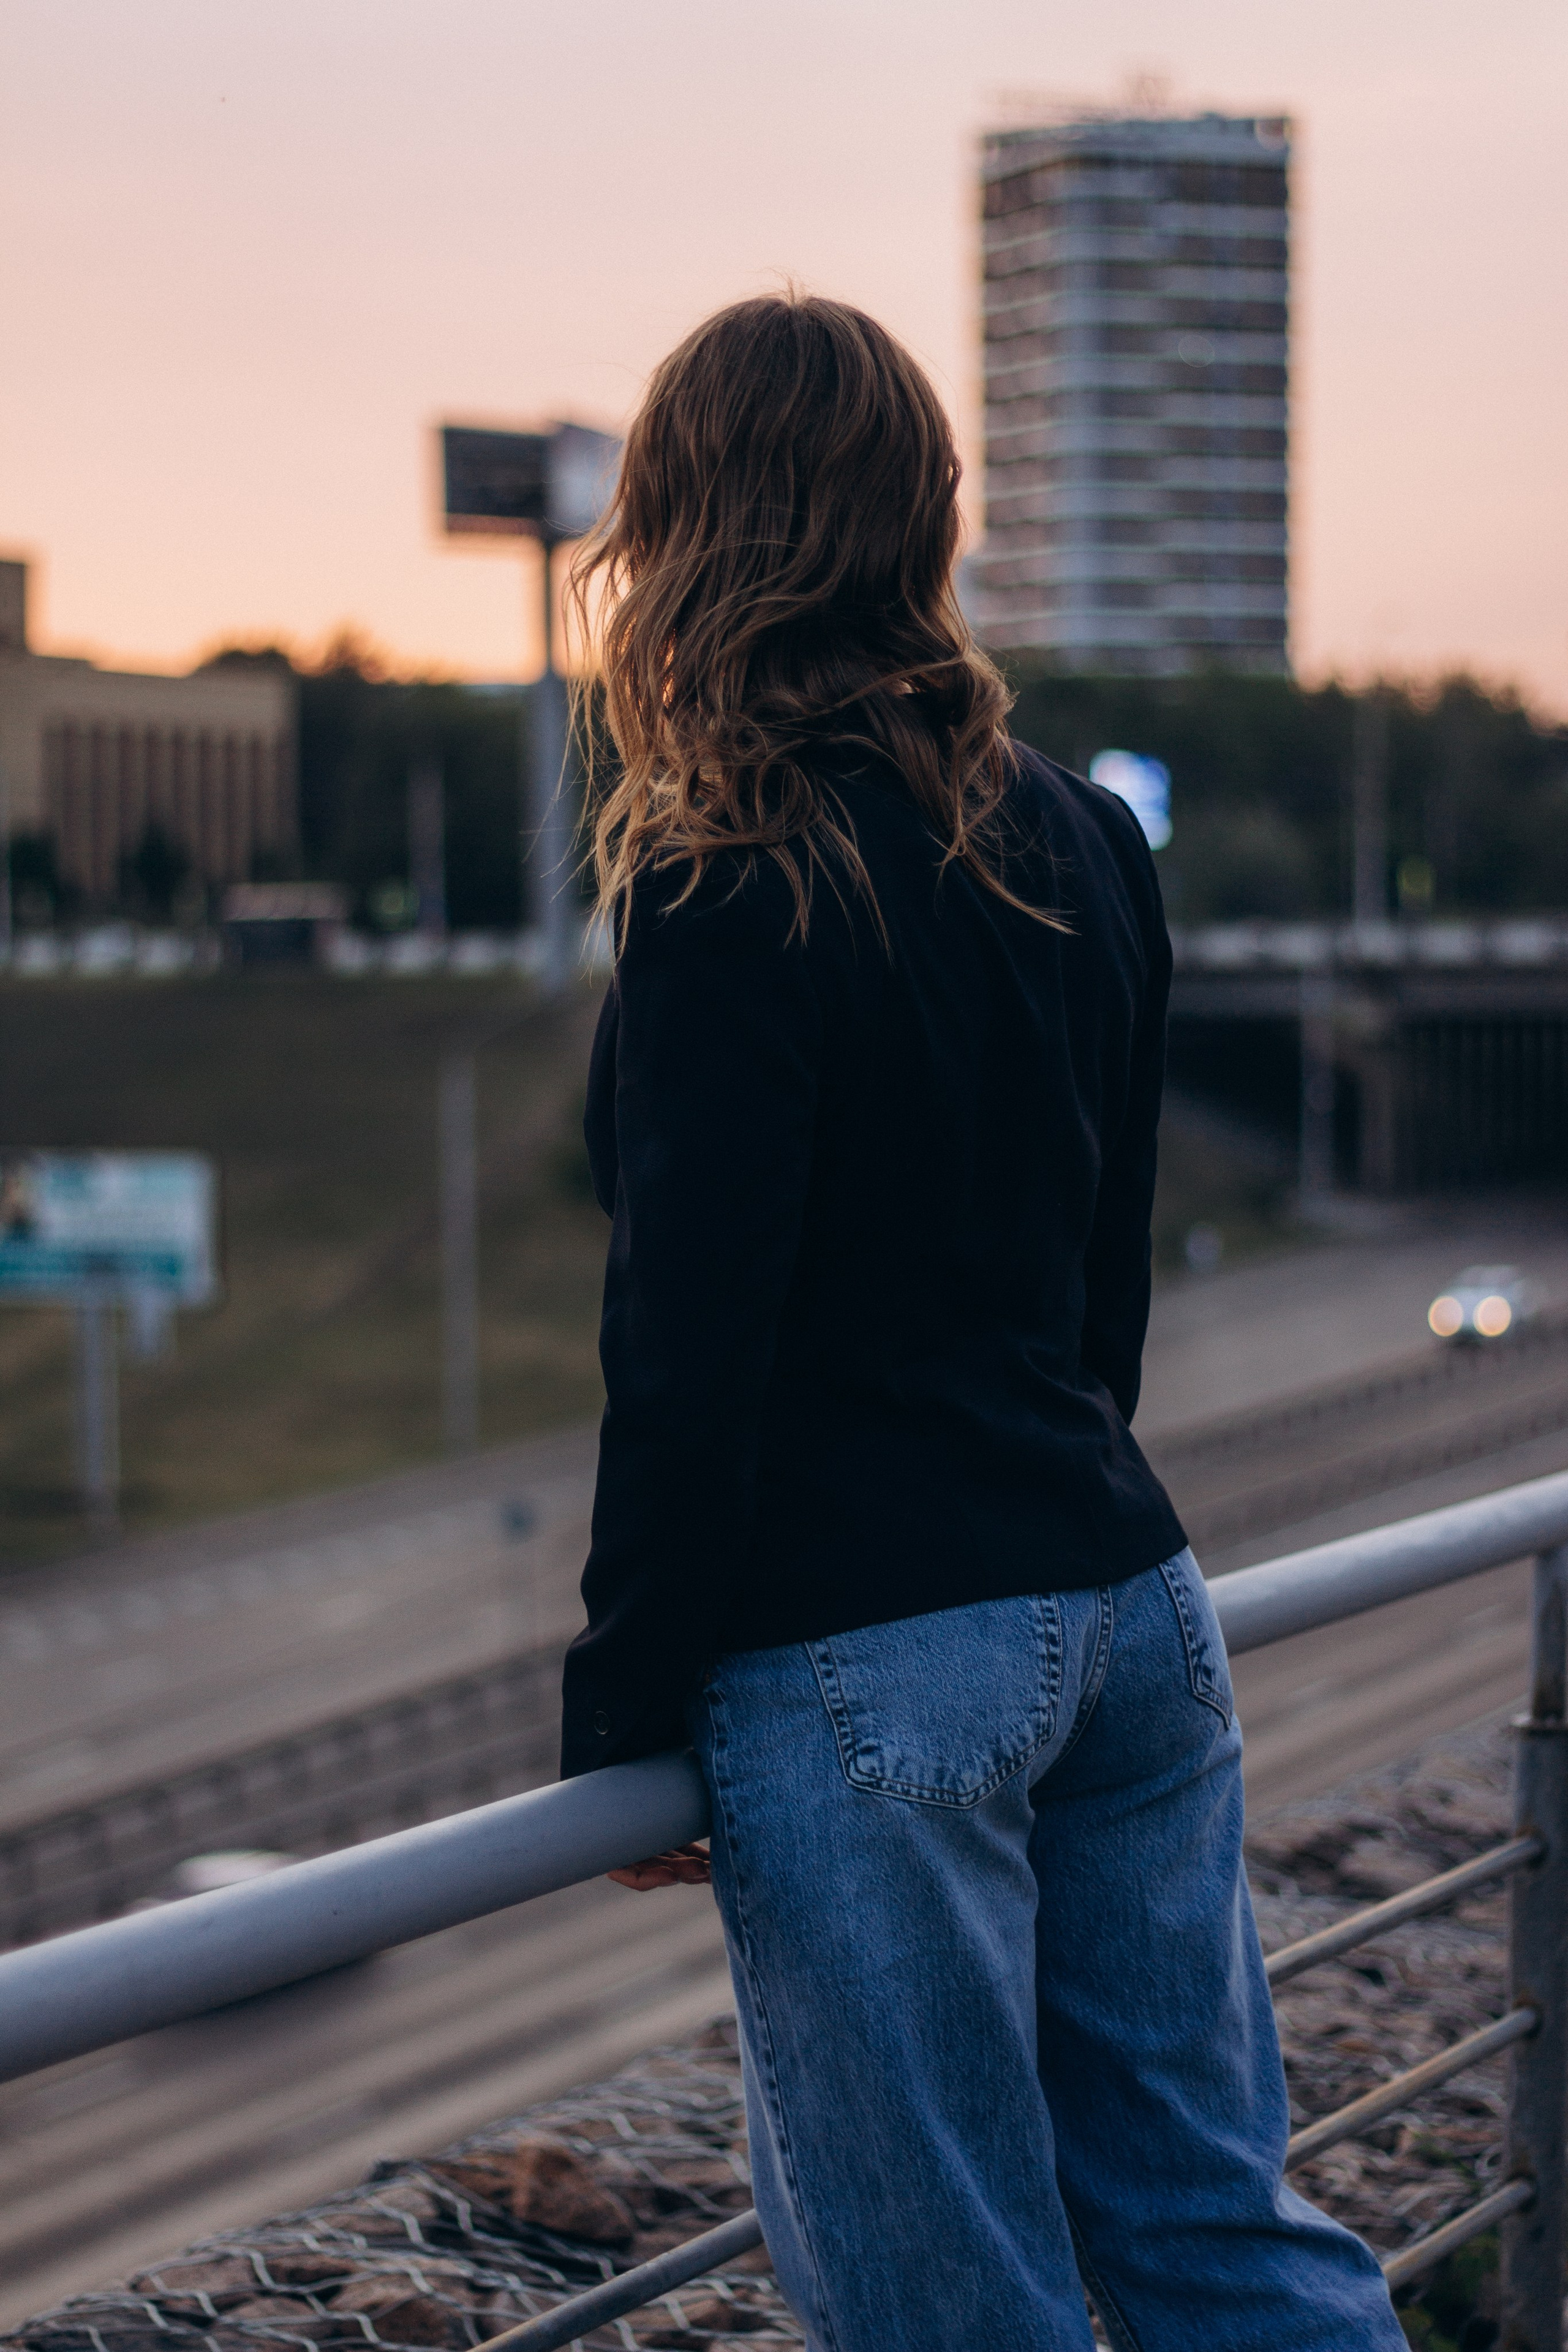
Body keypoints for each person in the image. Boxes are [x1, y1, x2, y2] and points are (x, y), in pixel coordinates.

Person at [559, 293, 1404, 2352]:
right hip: (1123, 1600)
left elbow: (694, 1341)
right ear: (919, 519)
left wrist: (629, 1705)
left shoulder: (726, 874)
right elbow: (1094, 1281)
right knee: (1215, 2230)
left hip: (873, 1664)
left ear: (687, 533)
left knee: (952, 2304)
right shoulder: (1088, 839)